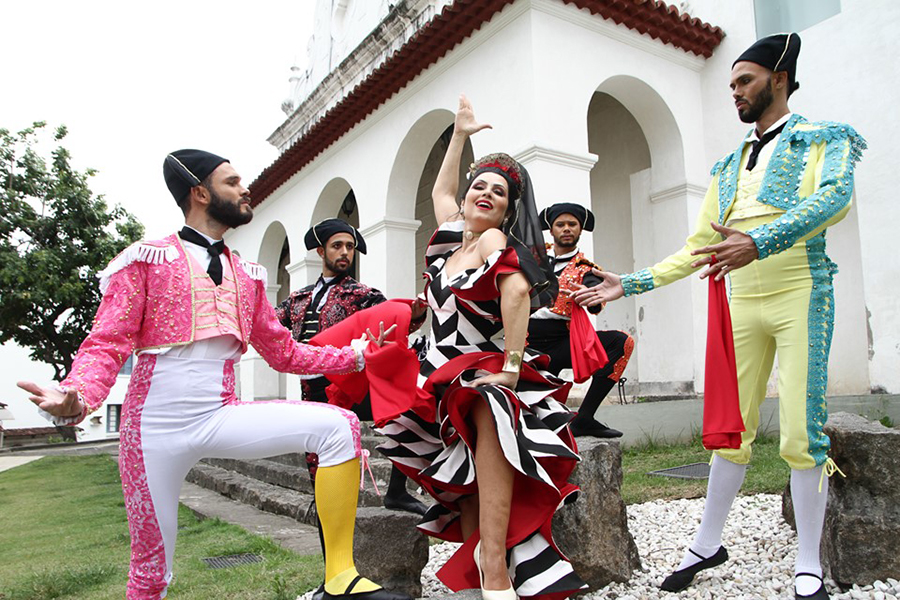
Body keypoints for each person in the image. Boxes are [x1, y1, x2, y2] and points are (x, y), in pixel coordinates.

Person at [17, 149, 410, 600]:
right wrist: (78, 393)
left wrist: (355, 357)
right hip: (152, 429)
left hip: (220, 413)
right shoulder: (146, 259)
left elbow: (283, 352)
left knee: (337, 427)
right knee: (149, 575)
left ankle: (339, 578)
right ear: (200, 193)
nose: (246, 190)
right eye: (232, 182)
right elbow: (107, 341)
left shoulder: (248, 275)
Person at [576, 34, 865, 600]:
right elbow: (701, 246)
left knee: (802, 432)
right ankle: (707, 543)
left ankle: (809, 560)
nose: (734, 92)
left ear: (778, 79)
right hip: (741, 304)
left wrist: (759, 242)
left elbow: (835, 199)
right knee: (730, 429)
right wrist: (629, 282)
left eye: (744, 81)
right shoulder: (729, 164)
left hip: (801, 293)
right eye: (731, 83)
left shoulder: (823, 140)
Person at [377, 96, 585, 600]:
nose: (485, 194)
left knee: (488, 408)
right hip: (436, 370)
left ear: (509, 210)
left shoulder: (493, 242)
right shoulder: (451, 238)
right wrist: (459, 134)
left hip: (480, 364)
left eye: (499, 192)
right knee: (458, 463)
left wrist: (512, 369)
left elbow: (515, 291)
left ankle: (495, 571)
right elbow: (441, 188)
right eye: (480, 187)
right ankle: (478, 564)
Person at [276, 218, 428, 515]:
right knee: (321, 478)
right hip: (311, 392)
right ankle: (329, 555)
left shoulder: (362, 294)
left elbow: (393, 320)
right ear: (321, 251)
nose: (345, 252)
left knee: (413, 410)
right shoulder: (297, 299)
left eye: (350, 247)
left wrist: (415, 314)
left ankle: (396, 490)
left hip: (348, 386)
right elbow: (268, 325)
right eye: (337, 246)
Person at [527, 202, 634, 438]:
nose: (566, 229)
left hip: (560, 343)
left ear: (580, 229)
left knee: (621, 342)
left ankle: (585, 418)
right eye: (561, 224)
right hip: (524, 341)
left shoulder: (586, 270)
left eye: (572, 224)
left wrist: (590, 297)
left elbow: (596, 295)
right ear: (552, 229)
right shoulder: (532, 257)